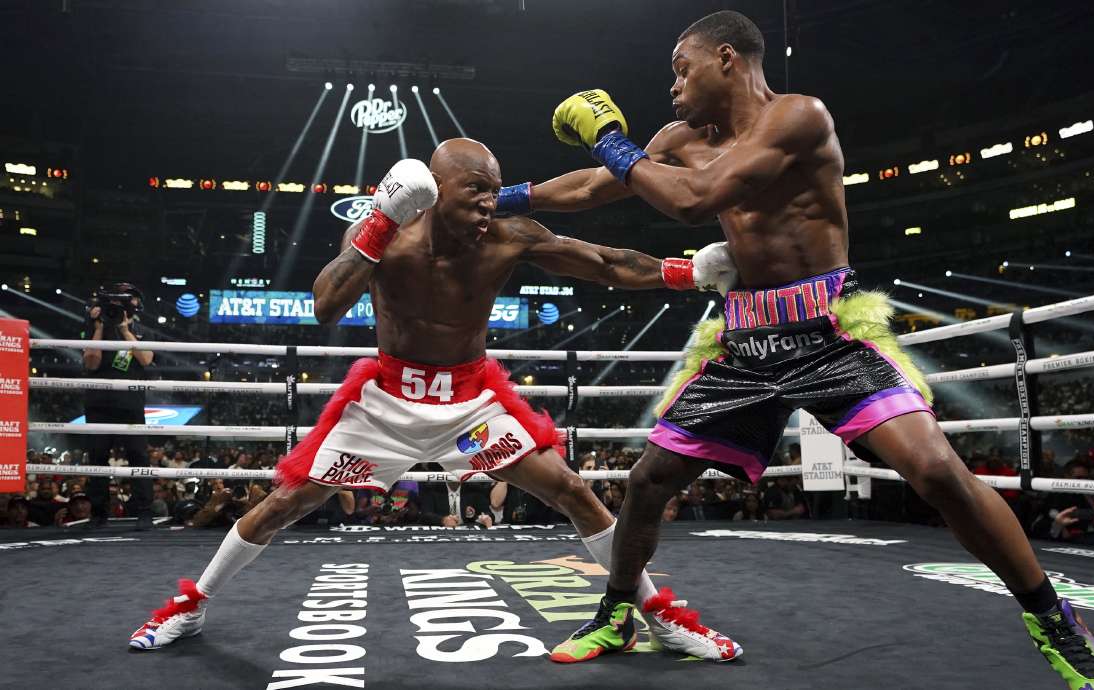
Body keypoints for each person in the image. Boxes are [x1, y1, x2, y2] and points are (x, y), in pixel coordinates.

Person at [498, 10, 1094, 687]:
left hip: (831, 331)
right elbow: (600, 184)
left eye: (681, 70)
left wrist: (608, 136)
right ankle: (619, 611)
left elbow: (698, 201)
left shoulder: (799, 117)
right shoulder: (680, 138)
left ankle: (1055, 621)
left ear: (727, 59)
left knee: (937, 472)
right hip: (745, 338)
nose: (673, 88)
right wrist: (501, 199)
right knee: (648, 481)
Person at [128, 139, 741, 662]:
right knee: (287, 502)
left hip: (471, 407)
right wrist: (379, 222)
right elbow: (324, 304)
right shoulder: (386, 237)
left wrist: (688, 273)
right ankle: (192, 603)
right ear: (433, 186)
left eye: (493, 189)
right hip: (388, 404)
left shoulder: (507, 234)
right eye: (474, 188)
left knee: (571, 489)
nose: (487, 202)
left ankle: (658, 614)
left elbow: (603, 262)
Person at [82, 282, 154, 529]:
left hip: (130, 403)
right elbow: (91, 363)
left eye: (129, 299)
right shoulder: (95, 326)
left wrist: (124, 330)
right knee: (98, 458)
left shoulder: (141, 330)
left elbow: (145, 359)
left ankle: (145, 513)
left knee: (138, 457)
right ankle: (98, 514)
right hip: (99, 402)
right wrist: (100, 327)